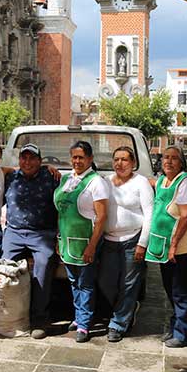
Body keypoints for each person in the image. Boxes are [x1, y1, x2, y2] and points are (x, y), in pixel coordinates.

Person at [1, 144, 61, 340]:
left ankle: (39, 319)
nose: (27, 162)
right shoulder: (10, 177)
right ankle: (8, 317)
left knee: (43, 265)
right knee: (4, 267)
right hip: (14, 232)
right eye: (23, 158)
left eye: (32, 158)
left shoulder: (51, 178)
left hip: (42, 233)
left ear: (40, 161)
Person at [54, 141, 109, 343]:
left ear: (90, 159)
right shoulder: (67, 179)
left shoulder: (97, 182)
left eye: (81, 157)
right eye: (74, 157)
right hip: (68, 240)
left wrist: (92, 245)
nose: (77, 161)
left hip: (86, 240)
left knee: (86, 283)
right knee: (73, 281)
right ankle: (78, 317)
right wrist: (59, 239)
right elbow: (61, 212)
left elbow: (101, 217)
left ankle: (85, 324)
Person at [98, 146, 154, 342]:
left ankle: (118, 324)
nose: (119, 164)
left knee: (128, 285)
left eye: (124, 160)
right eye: (116, 159)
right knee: (106, 282)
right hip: (109, 241)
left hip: (132, 239)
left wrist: (142, 243)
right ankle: (128, 309)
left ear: (133, 163)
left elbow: (149, 215)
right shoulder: (105, 182)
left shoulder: (141, 183)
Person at [147, 145, 187, 348]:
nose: (168, 161)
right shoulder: (161, 181)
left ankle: (184, 333)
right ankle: (176, 326)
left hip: (180, 249)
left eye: (174, 158)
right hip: (163, 248)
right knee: (170, 291)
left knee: (182, 291)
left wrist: (173, 244)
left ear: (181, 162)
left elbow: (186, 215)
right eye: (165, 157)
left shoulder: (185, 182)